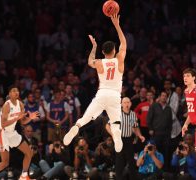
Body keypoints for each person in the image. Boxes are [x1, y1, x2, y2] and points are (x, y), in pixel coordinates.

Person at [63, 13, 126, 153]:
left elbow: (89, 61)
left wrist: (94, 46)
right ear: (114, 51)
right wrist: (116, 25)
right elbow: (124, 43)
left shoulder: (99, 63)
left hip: (102, 93)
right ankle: (116, 135)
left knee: (86, 118)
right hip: (115, 95)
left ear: (103, 52)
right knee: (116, 123)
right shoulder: (119, 60)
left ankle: (76, 127)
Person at [0, 86, 40, 180]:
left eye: (17, 90)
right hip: (2, 133)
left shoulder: (20, 105)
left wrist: (30, 118)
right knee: (5, 163)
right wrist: (16, 118)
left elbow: (23, 121)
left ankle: (24, 176)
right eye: (13, 91)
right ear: (9, 94)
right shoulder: (6, 106)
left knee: (29, 153)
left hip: (12, 132)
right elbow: (3, 124)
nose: (16, 92)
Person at [106, 97, 145, 180]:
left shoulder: (132, 114)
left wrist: (140, 135)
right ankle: (119, 178)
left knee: (131, 161)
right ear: (121, 104)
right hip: (119, 139)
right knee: (119, 160)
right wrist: (113, 134)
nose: (127, 104)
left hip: (128, 139)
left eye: (128, 102)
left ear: (130, 103)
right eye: (125, 102)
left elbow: (135, 127)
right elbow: (107, 126)